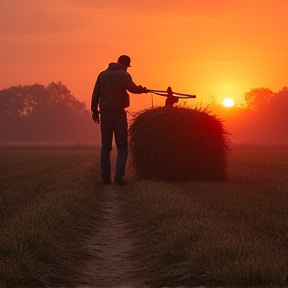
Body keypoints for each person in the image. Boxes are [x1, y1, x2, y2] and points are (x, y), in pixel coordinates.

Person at [91, 55, 148, 186]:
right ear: (126, 65)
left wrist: (94, 110)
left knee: (106, 147)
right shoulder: (124, 75)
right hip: (118, 115)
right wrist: (142, 89)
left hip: (105, 114)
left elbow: (95, 94)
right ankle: (118, 178)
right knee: (122, 146)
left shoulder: (102, 75)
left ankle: (105, 178)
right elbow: (133, 89)